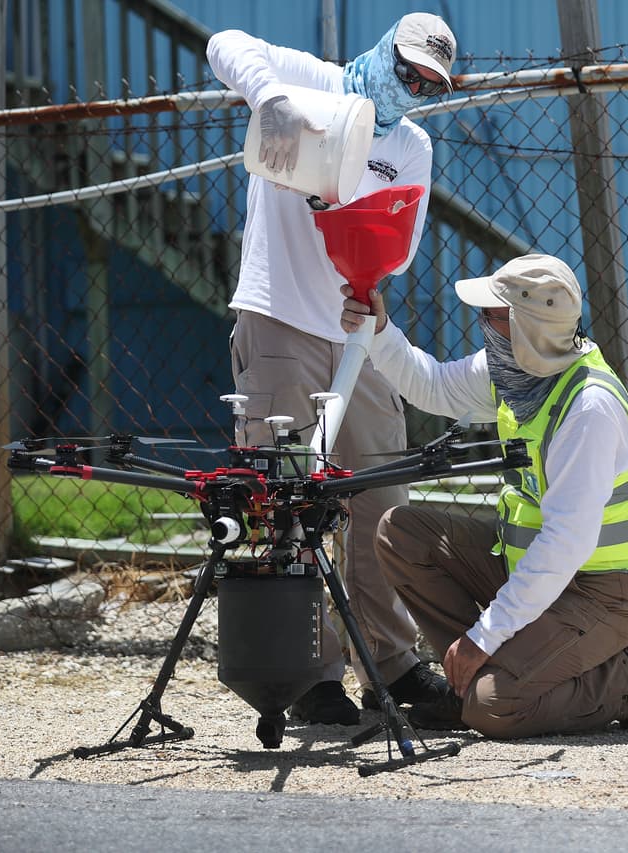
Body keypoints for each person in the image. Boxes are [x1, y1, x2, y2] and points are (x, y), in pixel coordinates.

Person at [206, 13, 458, 725]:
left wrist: (359, 256)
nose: (410, 88)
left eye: (426, 84)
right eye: (406, 70)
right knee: (286, 499)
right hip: (279, 315)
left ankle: (394, 659)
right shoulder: (307, 80)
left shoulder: (410, 144)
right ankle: (309, 672)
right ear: (384, 52)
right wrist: (269, 98)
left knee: (382, 495)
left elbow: (400, 249)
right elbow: (224, 41)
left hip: (357, 335)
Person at [340, 254, 628, 738]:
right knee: (402, 533)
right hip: (534, 569)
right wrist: (379, 330)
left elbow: (565, 545)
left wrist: (483, 636)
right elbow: (432, 387)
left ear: (524, 328)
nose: (481, 326)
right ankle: (475, 677)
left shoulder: (589, 410)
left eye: (490, 317)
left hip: (604, 592)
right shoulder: (518, 369)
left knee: (495, 709)